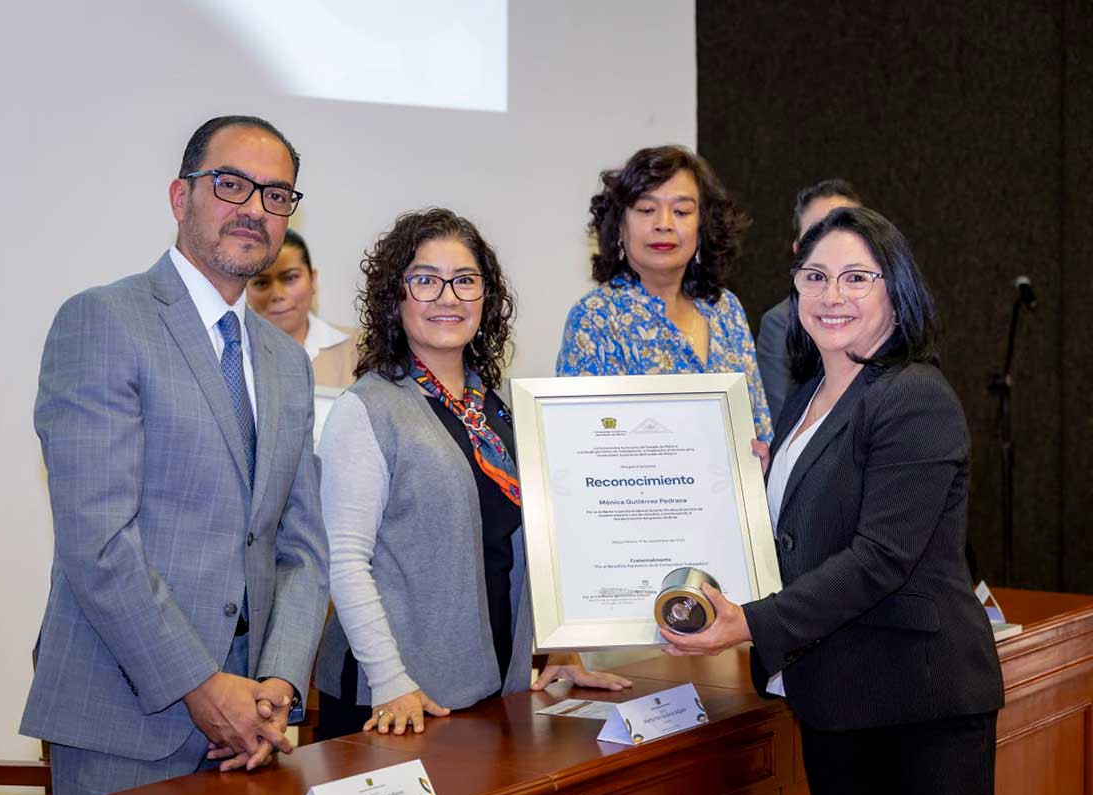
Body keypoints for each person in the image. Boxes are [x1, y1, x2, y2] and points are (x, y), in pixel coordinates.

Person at [21, 115, 331, 795]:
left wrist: (279, 681)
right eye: (231, 184)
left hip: (253, 724)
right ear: (179, 195)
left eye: (276, 195)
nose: (254, 208)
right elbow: (97, 539)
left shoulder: (287, 363)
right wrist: (201, 685)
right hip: (125, 719)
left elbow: (303, 546)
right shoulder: (104, 320)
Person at [659, 207, 1004, 795]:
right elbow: (805, 528)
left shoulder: (914, 395)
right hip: (835, 696)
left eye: (856, 278)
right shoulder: (807, 394)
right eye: (815, 277)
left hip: (916, 705)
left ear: (896, 291)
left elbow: (880, 559)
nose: (832, 295)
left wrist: (751, 622)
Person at [314, 208, 632, 738]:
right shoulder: (367, 409)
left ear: (486, 297)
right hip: (393, 698)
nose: (448, 297)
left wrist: (560, 647)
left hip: (494, 685)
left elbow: (522, 543)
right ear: (394, 296)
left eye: (465, 280)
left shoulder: (501, 407)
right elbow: (345, 562)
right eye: (425, 280)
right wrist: (391, 681)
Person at [555, 145, 771, 441]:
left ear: (703, 226)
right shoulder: (595, 317)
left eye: (682, 211)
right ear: (619, 226)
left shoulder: (726, 308)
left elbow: (758, 423)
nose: (664, 224)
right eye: (646, 210)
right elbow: (585, 440)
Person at [756, 179, 862, 421]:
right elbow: (785, 422)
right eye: (817, 233)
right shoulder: (781, 323)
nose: (832, 243)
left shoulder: (884, 312)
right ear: (798, 251)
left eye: (845, 229)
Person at [246, 229, 360, 388]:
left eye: (290, 278)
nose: (277, 294)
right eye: (261, 283)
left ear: (312, 279)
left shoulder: (357, 349)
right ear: (245, 289)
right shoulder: (234, 354)